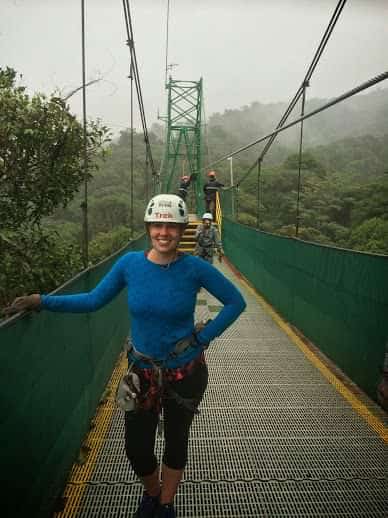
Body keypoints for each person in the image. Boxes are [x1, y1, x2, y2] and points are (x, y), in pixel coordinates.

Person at [4, 194, 246, 518]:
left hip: (184, 372)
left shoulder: (194, 268)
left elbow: (235, 302)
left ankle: (164, 505)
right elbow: (93, 300)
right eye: (157, 225)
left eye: (171, 226)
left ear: (180, 229)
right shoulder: (129, 264)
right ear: (148, 228)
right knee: (136, 449)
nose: (164, 232)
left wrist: (202, 338)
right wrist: (42, 300)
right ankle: (153, 491)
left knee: (176, 442)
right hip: (142, 373)